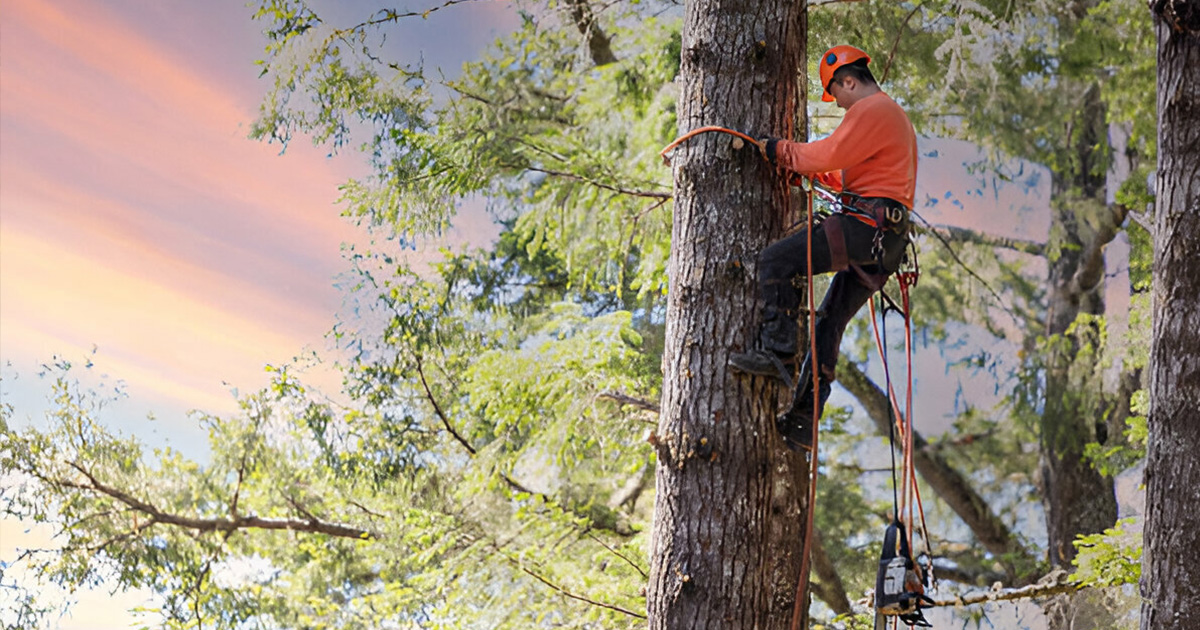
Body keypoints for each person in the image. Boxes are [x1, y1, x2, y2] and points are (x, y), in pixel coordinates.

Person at [729, 45, 918, 451]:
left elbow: (828, 153)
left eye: (838, 95)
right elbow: (848, 168)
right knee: (828, 325)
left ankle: (776, 350)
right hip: (885, 243)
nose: (841, 105)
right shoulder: (890, 118)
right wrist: (812, 175)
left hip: (866, 229)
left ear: (848, 81)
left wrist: (779, 151)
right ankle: (803, 422)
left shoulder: (872, 110)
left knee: (776, 261)